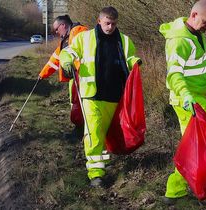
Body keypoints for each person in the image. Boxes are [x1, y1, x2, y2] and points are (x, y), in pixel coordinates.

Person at [159, 0, 206, 204]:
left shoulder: (196, 35)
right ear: (193, 15)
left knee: (199, 145)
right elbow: (174, 75)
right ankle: (202, 191)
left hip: (197, 99)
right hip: (186, 101)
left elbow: (200, 64)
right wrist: (186, 96)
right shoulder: (179, 41)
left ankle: (178, 190)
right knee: (203, 145)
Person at [59, 6, 141, 187]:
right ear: (99, 21)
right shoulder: (85, 38)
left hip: (115, 95)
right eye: (107, 23)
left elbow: (130, 58)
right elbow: (68, 52)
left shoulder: (124, 41)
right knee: (94, 133)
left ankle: (102, 164)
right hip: (91, 95)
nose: (110, 27)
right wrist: (66, 62)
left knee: (106, 134)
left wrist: (136, 63)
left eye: (113, 23)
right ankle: (95, 174)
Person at [38, 15, 88, 140]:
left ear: (63, 25)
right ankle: (79, 132)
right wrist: (42, 74)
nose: (55, 32)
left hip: (84, 78)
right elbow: (54, 60)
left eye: (56, 29)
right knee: (76, 106)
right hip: (75, 79)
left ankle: (82, 134)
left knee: (83, 106)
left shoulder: (79, 32)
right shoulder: (65, 40)